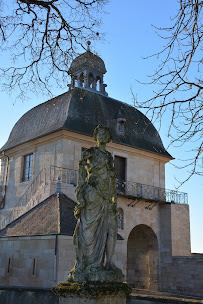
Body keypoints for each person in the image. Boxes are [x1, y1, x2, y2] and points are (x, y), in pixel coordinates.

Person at [71, 125, 118, 279]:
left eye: (106, 133)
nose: (103, 135)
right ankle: (85, 263)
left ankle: (101, 264)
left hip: (106, 197)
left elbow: (112, 178)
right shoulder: (90, 153)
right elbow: (81, 171)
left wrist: (113, 198)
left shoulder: (109, 157)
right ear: (96, 136)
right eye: (100, 133)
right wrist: (81, 194)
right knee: (88, 231)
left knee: (104, 231)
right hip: (92, 194)